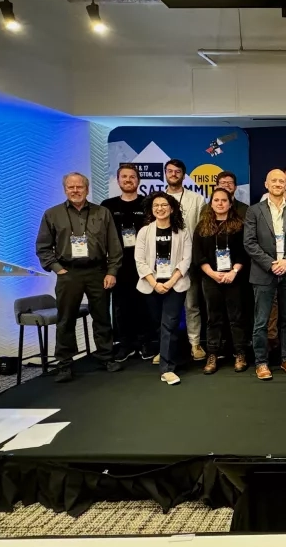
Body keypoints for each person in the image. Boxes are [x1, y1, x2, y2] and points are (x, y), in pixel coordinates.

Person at [36, 172, 123, 382]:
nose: (75, 191)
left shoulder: (102, 213)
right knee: (66, 319)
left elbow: (114, 245)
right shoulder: (52, 214)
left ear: (87, 188)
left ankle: (105, 356)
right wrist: (58, 269)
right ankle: (65, 364)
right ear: (65, 189)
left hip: (97, 272)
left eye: (79, 187)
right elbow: (43, 247)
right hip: (69, 272)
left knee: (102, 316)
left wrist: (112, 272)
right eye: (71, 187)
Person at [244, 169, 286, 380]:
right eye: (274, 180)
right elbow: (249, 243)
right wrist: (271, 264)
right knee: (261, 321)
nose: (279, 183)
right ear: (266, 184)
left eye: (282, 181)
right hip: (264, 273)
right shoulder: (254, 211)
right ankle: (261, 362)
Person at [134, 192, 192, 386]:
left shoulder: (182, 232)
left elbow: (186, 259)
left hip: (175, 284)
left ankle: (167, 369)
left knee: (170, 323)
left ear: (172, 208)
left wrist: (170, 282)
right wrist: (154, 283)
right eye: (156, 205)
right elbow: (139, 261)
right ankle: (168, 353)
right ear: (152, 209)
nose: (160, 208)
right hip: (151, 285)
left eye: (164, 205)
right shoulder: (144, 232)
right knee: (159, 324)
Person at [193, 187, 249, 375]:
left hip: (234, 278)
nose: (220, 203)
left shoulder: (239, 225)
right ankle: (212, 354)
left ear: (230, 203)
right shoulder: (202, 227)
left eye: (224, 200)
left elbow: (244, 253)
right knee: (213, 318)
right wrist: (212, 273)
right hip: (211, 279)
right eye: (216, 200)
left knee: (237, 318)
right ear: (211, 203)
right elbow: (198, 256)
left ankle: (240, 353)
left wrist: (233, 271)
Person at [101, 163, 150, 361]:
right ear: (118, 180)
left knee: (145, 305)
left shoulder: (148, 203)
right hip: (118, 265)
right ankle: (125, 344)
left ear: (138, 181)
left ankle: (146, 342)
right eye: (124, 177)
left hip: (144, 265)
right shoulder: (108, 206)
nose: (128, 180)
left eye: (132, 177)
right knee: (121, 307)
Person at [164, 158, 207, 362]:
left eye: (177, 171)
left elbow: (202, 231)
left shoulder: (196, 199)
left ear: (183, 174)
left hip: (189, 261)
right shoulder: (158, 199)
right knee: (165, 308)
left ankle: (195, 343)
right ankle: (163, 347)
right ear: (165, 174)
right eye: (170, 171)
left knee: (192, 305)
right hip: (163, 264)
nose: (173, 174)